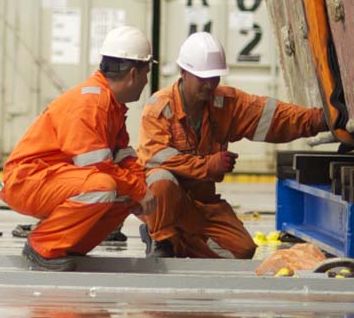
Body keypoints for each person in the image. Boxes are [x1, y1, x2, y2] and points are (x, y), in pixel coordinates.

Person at [137, 31, 328, 259]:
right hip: (167, 200)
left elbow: (274, 117)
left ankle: (176, 240)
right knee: (161, 180)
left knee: (242, 250)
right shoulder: (159, 108)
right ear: (183, 72)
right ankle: (160, 238)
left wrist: (320, 119)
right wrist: (208, 166)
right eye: (203, 78)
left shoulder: (225, 104)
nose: (209, 85)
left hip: (202, 202)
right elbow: (155, 158)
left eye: (214, 77)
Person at [0, 25, 156, 271]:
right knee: (102, 186)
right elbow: (97, 166)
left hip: (50, 178)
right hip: (27, 180)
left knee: (125, 196)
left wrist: (141, 190)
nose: (146, 82)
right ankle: (43, 246)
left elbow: (123, 156)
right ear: (133, 73)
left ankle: (66, 247)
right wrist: (139, 190)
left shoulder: (109, 104)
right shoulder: (91, 104)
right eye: (146, 74)